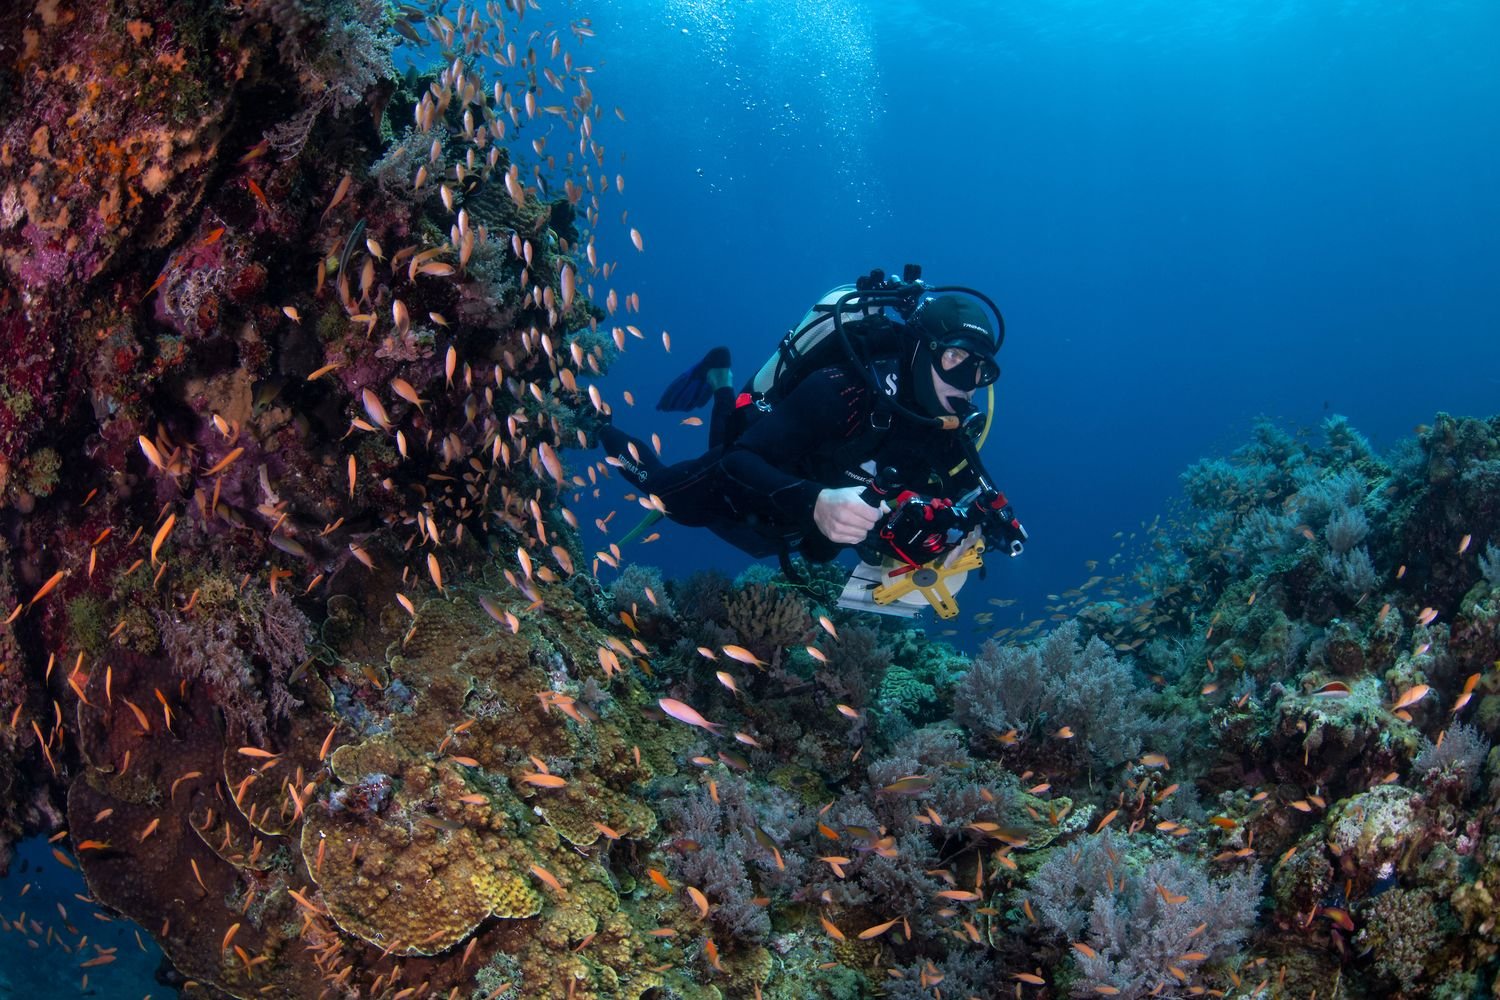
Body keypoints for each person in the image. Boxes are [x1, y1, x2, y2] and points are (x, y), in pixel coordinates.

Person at [595, 274, 1023, 574]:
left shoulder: (946, 425)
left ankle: (720, 374)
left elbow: (953, 496)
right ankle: (595, 421)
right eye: (954, 359)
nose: (967, 384)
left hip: (783, 526)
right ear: (920, 352)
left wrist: (967, 532)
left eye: (980, 371)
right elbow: (737, 461)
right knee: (669, 495)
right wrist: (816, 502)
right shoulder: (840, 390)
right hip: (746, 478)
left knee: (750, 511)